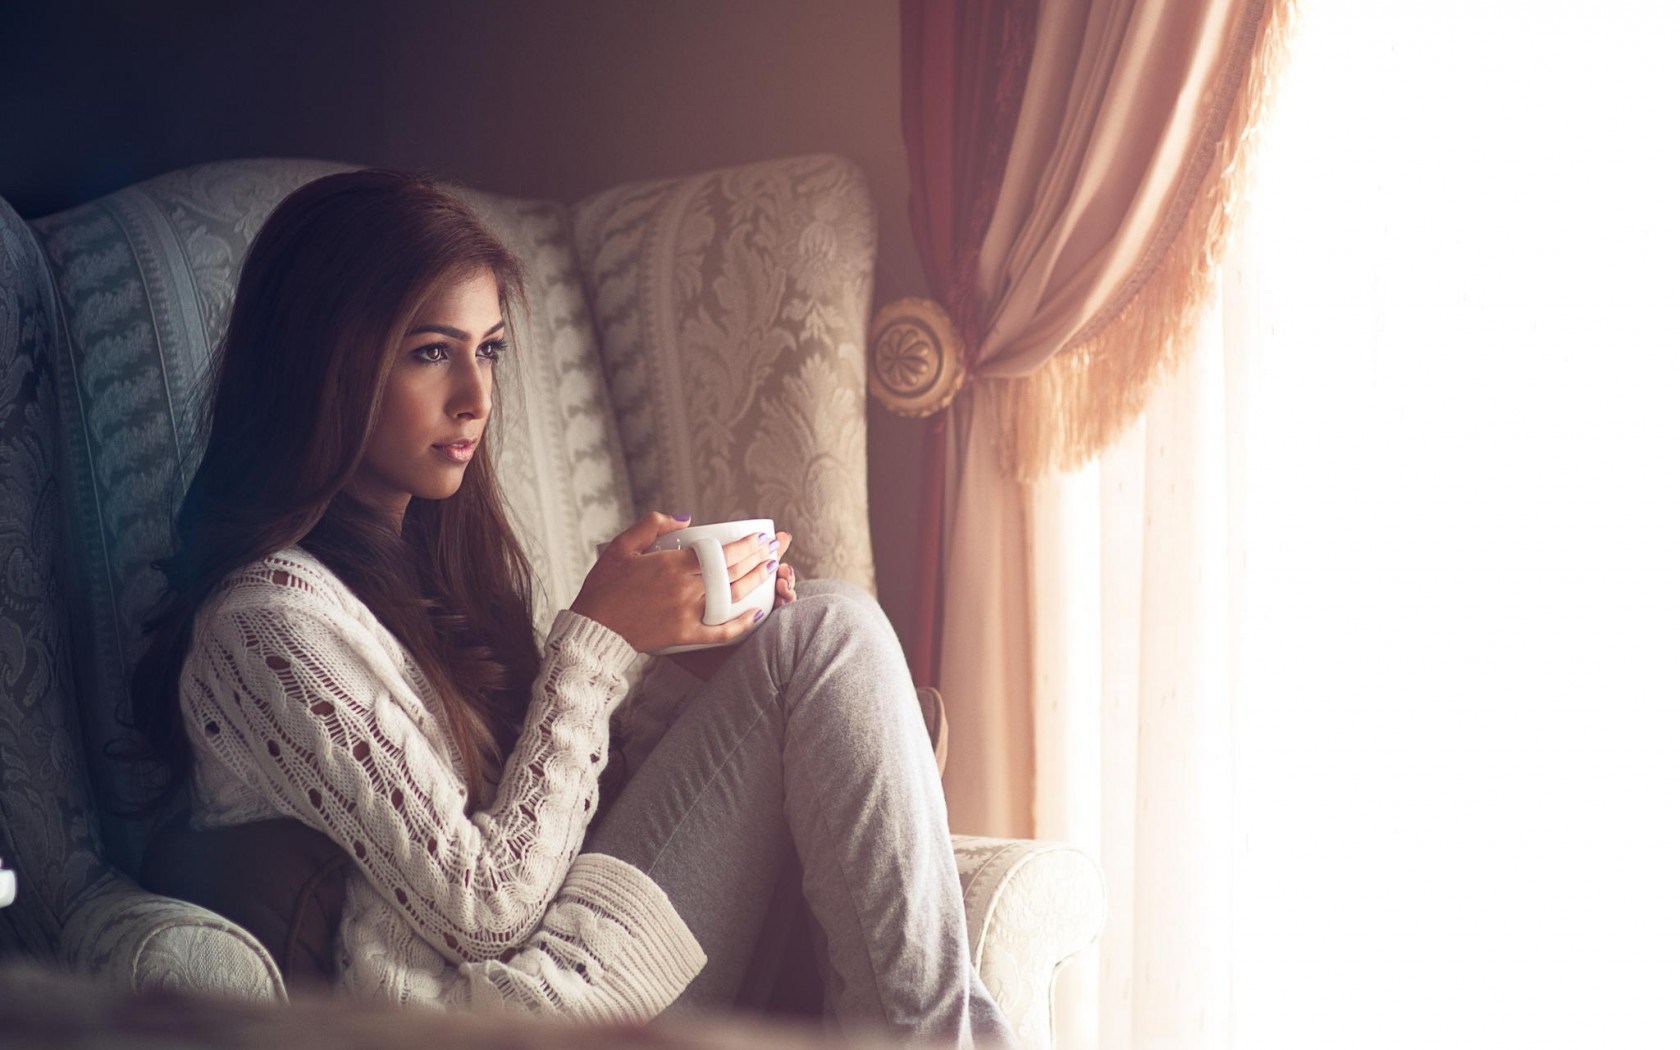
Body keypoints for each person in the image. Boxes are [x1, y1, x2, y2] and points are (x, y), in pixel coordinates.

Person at [129, 169, 1014, 1046]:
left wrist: (674, 673)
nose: (475, 398)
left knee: (807, 626)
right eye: (430, 351)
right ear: (324, 362)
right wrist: (596, 645)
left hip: (566, 965)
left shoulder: (430, 571)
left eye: (489, 350)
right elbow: (483, 907)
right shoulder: (264, 626)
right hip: (496, 1011)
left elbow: (547, 824)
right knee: (828, 635)